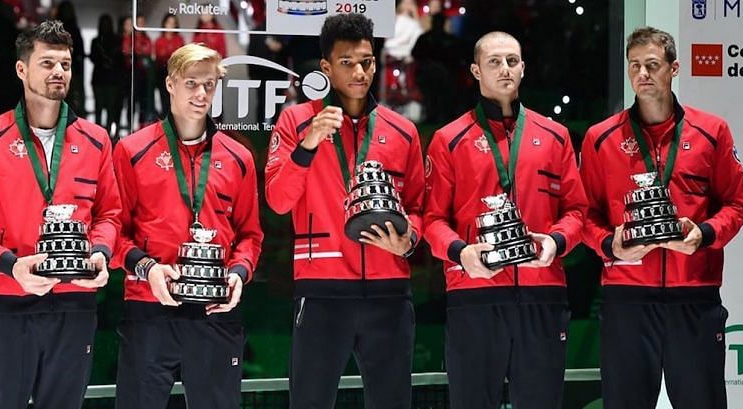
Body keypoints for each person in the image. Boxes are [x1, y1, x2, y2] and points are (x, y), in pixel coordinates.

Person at [580, 26, 743, 409]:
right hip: (626, 298)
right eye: (635, 65)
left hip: (694, 296)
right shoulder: (600, 138)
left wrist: (703, 235)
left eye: (652, 65)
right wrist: (610, 245)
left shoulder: (712, 132)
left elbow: (738, 204)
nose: (642, 74)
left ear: (674, 68)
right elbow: (584, 214)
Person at [265, 13, 424, 409]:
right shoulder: (296, 120)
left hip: (389, 292)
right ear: (326, 67)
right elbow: (278, 200)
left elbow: (421, 207)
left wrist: (409, 239)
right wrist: (309, 143)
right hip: (322, 293)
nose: (359, 71)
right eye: (347, 62)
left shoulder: (402, 131)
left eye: (366, 61)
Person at [423, 31, 587, 408]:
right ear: (476, 71)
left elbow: (577, 212)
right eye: (494, 61)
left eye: (512, 61)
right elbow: (432, 220)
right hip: (474, 294)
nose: (504, 68)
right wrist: (461, 253)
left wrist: (556, 242)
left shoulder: (555, 136)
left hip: (542, 293)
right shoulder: (449, 139)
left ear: (524, 68)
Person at [0, 20, 120, 408]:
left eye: (65, 64)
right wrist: (8, 264)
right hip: (7, 302)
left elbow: (110, 214)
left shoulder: (96, 140)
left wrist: (100, 253)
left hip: (75, 305)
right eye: (47, 63)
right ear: (22, 69)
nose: (58, 72)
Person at [111, 43, 263, 409]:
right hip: (150, 308)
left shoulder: (239, 157)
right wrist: (147, 269)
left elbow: (250, 235)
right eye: (192, 83)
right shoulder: (132, 151)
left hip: (216, 311)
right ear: (170, 84)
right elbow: (114, 230)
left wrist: (239, 275)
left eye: (209, 85)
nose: (201, 94)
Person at [90, 13, 121, 137]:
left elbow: (119, 59)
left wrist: (108, 61)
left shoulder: (116, 41)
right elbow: (93, 57)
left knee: (110, 108)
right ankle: (98, 134)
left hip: (111, 79)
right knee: (99, 107)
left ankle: (107, 135)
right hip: (100, 78)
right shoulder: (96, 41)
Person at [154, 13, 185, 118]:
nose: (171, 25)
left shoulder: (179, 39)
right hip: (162, 73)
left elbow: (182, 57)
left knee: (176, 100)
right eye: (169, 23)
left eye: (173, 23)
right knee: (164, 100)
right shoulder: (159, 41)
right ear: (164, 24)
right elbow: (159, 57)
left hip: (177, 74)